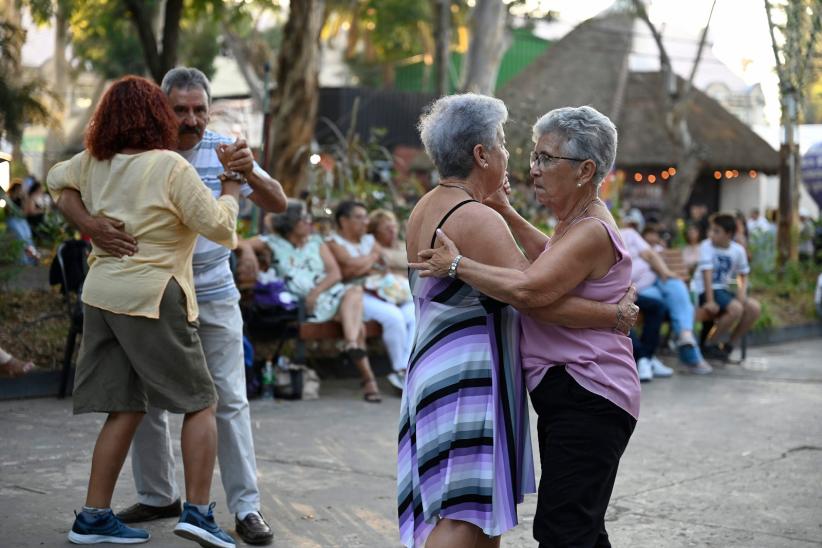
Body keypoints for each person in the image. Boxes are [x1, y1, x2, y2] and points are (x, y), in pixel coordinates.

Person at [55, 67, 287, 546]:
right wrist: (90, 225)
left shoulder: (220, 147)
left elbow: (278, 200)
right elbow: (222, 225)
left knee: (216, 401)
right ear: (161, 109)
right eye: (180, 109)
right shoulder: (158, 161)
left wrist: (242, 172)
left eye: (200, 109)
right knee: (171, 403)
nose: (192, 119)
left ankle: (244, 508)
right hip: (157, 293)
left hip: (185, 291)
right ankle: (171, 501)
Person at [404, 97, 639, 548]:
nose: (528, 165)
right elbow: (535, 286)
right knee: (493, 516)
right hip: (471, 375)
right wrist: (613, 314)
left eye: (545, 158)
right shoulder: (482, 217)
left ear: (585, 171)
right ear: (481, 154)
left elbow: (532, 290)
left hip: (579, 388)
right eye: (520, 150)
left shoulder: (429, 206)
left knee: (562, 526)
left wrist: (462, 264)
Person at [240, 199, 382, 402]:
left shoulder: (316, 242)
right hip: (296, 303)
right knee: (354, 314)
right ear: (291, 221)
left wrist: (316, 293)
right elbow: (239, 241)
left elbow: (334, 274)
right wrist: (246, 252)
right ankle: (367, 378)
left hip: (323, 297)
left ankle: (352, 345)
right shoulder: (271, 242)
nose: (310, 222)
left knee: (354, 293)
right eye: (304, 218)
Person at [327, 201, 414, 392]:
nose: (365, 222)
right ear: (344, 221)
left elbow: (374, 263)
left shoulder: (368, 240)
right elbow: (348, 271)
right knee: (394, 318)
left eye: (366, 217)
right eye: (359, 217)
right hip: (355, 295)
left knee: (414, 314)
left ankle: (408, 370)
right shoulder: (333, 243)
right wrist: (371, 260)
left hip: (383, 292)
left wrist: (363, 264)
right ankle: (399, 369)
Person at [620, 210, 711, 375]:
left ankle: (684, 337)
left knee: (676, 287)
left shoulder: (629, 234)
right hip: (640, 289)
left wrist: (665, 273)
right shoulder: (609, 239)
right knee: (671, 305)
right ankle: (688, 356)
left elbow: (650, 255)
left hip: (658, 279)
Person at [694, 213, 761, 363]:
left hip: (722, 290)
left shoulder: (738, 250)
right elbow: (707, 275)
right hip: (705, 290)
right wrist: (710, 301)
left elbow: (743, 274)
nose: (712, 234)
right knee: (736, 309)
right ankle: (709, 344)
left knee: (754, 308)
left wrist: (742, 293)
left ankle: (728, 345)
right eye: (711, 230)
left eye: (716, 231)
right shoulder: (707, 245)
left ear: (729, 234)